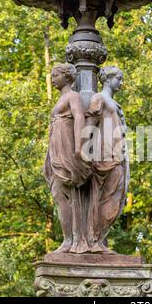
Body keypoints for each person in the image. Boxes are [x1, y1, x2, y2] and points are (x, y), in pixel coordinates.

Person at [43, 63, 92, 253]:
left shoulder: (73, 96)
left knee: (64, 192)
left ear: (66, 76)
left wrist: (80, 146)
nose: (53, 78)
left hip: (66, 146)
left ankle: (72, 240)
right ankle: (69, 239)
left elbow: (79, 117)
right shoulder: (62, 98)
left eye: (56, 75)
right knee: (57, 192)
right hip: (56, 146)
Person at [85, 66, 130, 253]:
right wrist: (84, 150)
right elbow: (89, 126)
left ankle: (98, 239)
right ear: (109, 79)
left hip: (117, 155)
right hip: (105, 156)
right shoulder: (99, 98)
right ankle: (94, 240)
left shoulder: (111, 102)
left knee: (116, 198)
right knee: (104, 198)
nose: (121, 82)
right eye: (119, 78)